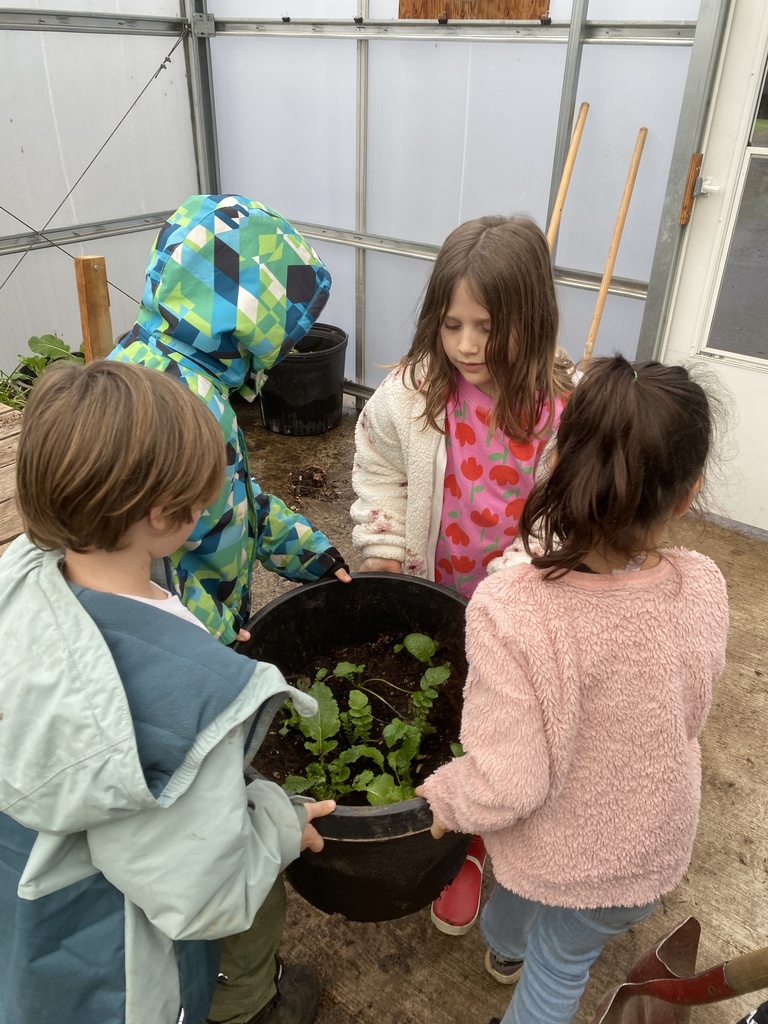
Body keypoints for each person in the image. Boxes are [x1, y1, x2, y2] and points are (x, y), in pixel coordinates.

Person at [0, 360, 336, 1024]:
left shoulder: (21, 582)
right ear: (163, 515)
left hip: (33, 918)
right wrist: (280, 827)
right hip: (122, 970)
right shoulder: (183, 700)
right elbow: (204, 895)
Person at [416, 354, 730, 1024]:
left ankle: (502, 949)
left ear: (557, 462)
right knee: (567, 953)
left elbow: (510, 782)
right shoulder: (703, 584)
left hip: (554, 842)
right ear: (689, 491)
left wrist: (447, 796)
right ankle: (506, 947)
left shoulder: (513, 607)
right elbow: (692, 711)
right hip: (646, 846)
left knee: (545, 943)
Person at [350, 214, 576, 934]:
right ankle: (447, 827)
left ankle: (479, 845)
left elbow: (561, 514)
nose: (468, 346)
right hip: (435, 587)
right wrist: (381, 538)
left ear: (533, 320)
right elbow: (379, 466)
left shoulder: (561, 415)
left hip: (516, 606)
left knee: (501, 725)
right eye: (452, 325)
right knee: (442, 704)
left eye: (488, 326)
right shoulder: (415, 393)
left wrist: (517, 581)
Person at [109, 193, 351, 648]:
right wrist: (217, 632)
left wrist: (306, 550)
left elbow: (232, 499)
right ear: (246, 313)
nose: (286, 345)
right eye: (284, 326)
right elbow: (128, 565)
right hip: (185, 645)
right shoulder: (178, 407)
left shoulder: (161, 365)